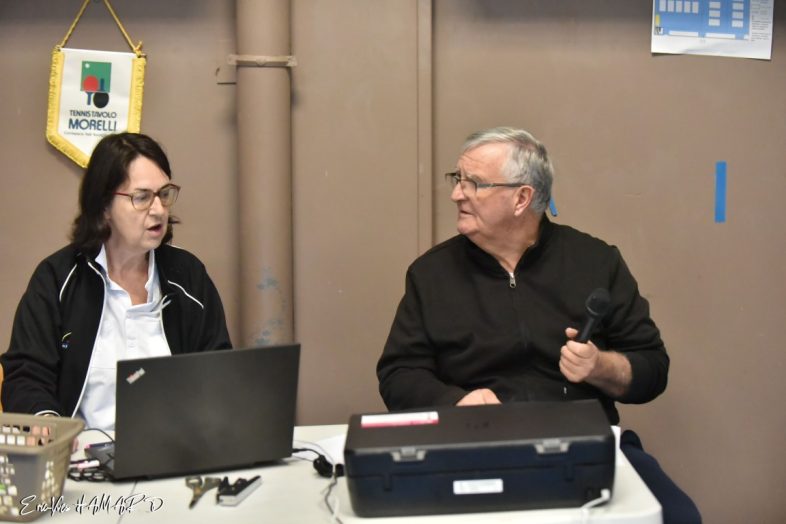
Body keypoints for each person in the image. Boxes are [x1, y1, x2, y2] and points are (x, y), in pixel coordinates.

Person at [377, 127, 701, 523]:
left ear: (521, 198)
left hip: (583, 447)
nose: (456, 194)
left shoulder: (596, 261)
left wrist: (601, 366)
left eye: (474, 183)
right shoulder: (431, 274)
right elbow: (398, 373)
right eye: (457, 179)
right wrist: (455, 403)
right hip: (475, 446)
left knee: (679, 516)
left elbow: (653, 369)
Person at [1, 132, 232, 430]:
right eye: (142, 197)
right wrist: (47, 425)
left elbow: (218, 369)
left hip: (176, 448)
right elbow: (26, 375)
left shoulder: (188, 275)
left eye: (164, 194)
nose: (158, 210)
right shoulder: (57, 278)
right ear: (104, 206)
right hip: (82, 450)